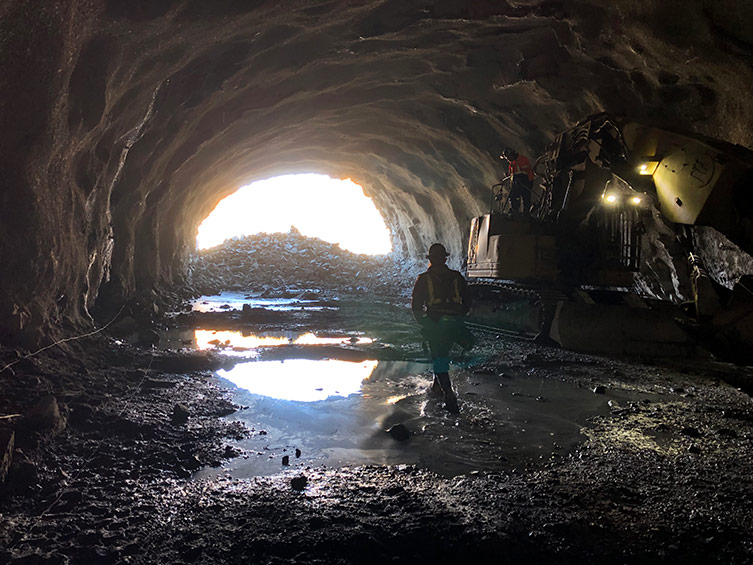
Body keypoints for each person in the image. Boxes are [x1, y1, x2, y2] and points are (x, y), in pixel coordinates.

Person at [411, 243, 475, 413]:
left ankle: (449, 393)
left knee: (438, 358)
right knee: (442, 355)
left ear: (430, 260)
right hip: (454, 323)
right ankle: (436, 387)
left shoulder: (424, 279)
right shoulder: (457, 277)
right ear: (445, 259)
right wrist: (460, 318)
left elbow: (416, 307)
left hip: (436, 323)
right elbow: (468, 300)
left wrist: (426, 325)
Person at [501, 147, 534, 215]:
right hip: (517, 182)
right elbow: (513, 172)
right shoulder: (512, 162)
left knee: (524, 197)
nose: (508, 159)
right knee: (514, 196)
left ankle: (525, 214)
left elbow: (526, 169)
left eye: (508, 157)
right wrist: (508, 175)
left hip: (525, 181)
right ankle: (515, 212)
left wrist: (520, 178)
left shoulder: (521, 159)